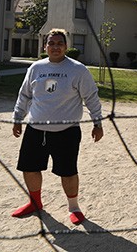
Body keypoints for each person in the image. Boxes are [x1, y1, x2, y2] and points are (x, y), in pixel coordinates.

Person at [11, 28, 104, 225]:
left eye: (59, 43)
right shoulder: (35, 68)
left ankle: (74, 207)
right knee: (29, 168)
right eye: (51, 43)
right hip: (36, 128)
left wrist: (97, 122)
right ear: (45, 46)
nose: (55, 47)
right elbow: (25, 95)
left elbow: (91, 97)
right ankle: (35, 203)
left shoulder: (78, 70)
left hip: (66, 131)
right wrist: (18, 118)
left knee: (68, 171)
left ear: (66, 47)